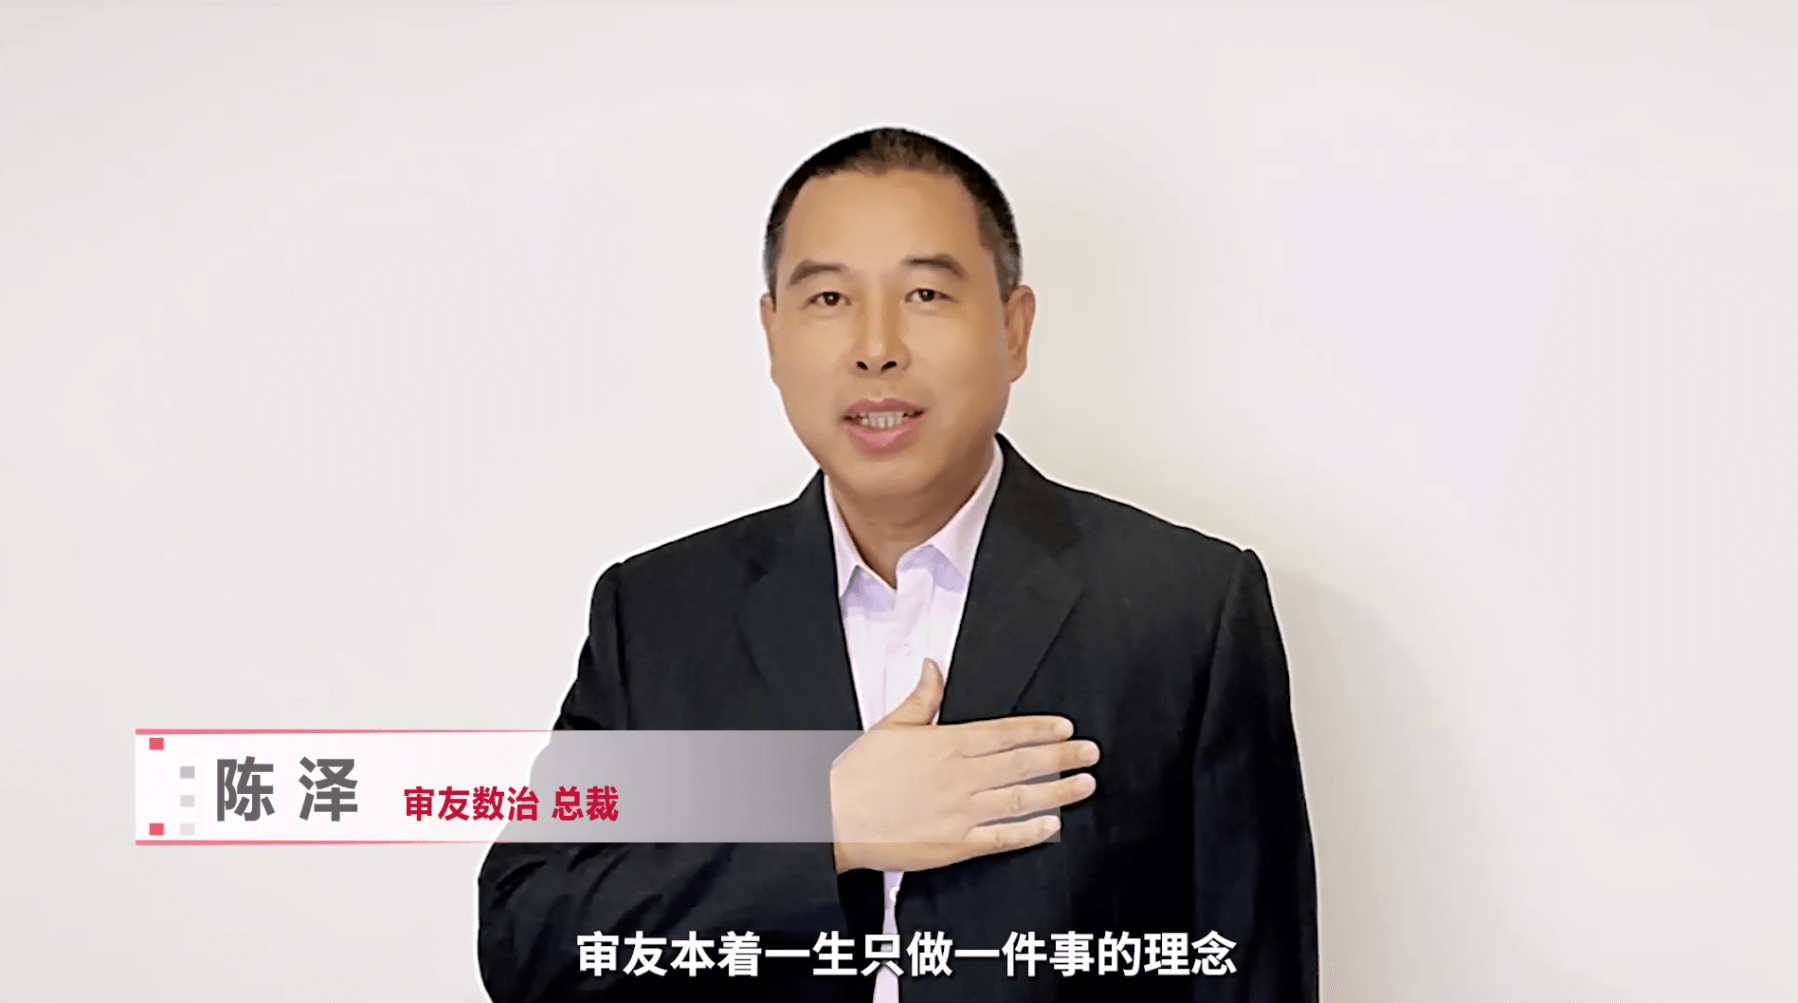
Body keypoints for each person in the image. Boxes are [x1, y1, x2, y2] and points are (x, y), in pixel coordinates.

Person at [478, 126, 1317, 1002]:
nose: (876, 346)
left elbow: (1250, 965)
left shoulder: (1184, 606)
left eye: (924, 293)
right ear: (773, 335)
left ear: (1014, 329)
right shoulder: (659, 614)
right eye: (829, 298)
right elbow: (527, 938)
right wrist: (826, 827)